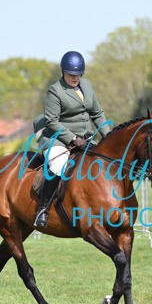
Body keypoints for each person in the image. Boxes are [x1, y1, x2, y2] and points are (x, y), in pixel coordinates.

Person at [33, 50, 112, 228]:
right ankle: (42, 210)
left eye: (78, 74)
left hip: (85, 140)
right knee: (58, 165)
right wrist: (73, 138)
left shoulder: (87, 85)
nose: (75, 78)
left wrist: (108, 137)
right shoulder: (55, 91)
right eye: (71, 75)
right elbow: (52, 122)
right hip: (58, 140)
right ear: (63, 71)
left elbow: (97, 113)